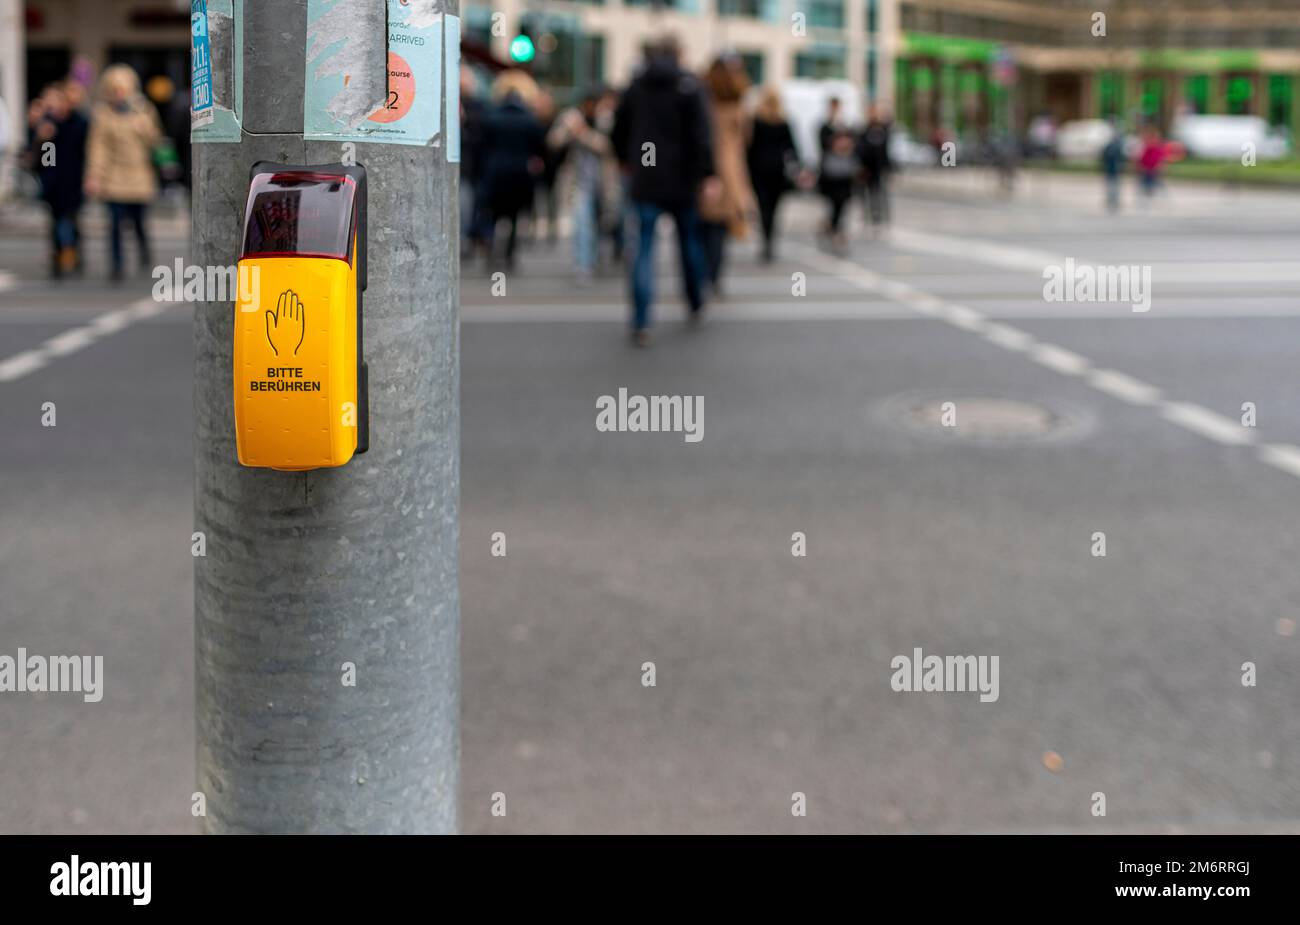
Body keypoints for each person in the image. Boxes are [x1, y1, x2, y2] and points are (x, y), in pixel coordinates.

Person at [611, 35, 716, 346]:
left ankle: (642, 319)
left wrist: (625, 161)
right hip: (682, 179)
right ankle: (695, 300)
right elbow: (701, 135)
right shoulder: (689, 86)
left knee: (642, 249)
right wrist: (706, 174)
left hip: (646, 177)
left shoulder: (636, 86)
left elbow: (619, 130)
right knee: (689, 244)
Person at [84, 64, 163, 281]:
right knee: (115, 224)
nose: (119, 94)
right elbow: (97, 148)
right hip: (113, 177)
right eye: (115, 89)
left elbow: (156, 141)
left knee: (138, 220)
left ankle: (144, 250)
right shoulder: (103, 114)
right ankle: (117, 265)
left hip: (139, 174)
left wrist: (143, 125)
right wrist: (94, 176)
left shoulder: (144, 109)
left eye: (123, 89)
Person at [697, 56, 753, 297]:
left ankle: (701, 274)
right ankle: (714, 276)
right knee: (721, 229)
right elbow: (746, 140)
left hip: (704, 168)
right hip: (731, 171)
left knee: (701, 227)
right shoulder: (738, 105)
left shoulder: (703, 101)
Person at [478, 70, 545, 268]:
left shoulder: (492, 117)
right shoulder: (529, 120)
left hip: (495, 172)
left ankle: (491, 249)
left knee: (493, 214)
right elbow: (539, 148)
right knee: (514, 216)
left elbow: (482, 147)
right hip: (519, 174)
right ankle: (509, 253)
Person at [548, 85, 615, 284]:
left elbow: (607, 147)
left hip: (604, 182)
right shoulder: (570, 118)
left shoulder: (607, 119)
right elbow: (553, 142)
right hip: (578, 181)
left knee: (601, 222)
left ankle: (595, 257)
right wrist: (569, 130)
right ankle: (583, 264)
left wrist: (584, 134)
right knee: (582, 221)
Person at [28, 83, 88, 279]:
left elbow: (83, 151)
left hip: (73, 179)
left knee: (69, 219)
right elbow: (46, 160)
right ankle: (61, 254)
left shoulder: (78, 122)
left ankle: (70, 252)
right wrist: (43, 138)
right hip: (54, 182)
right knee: (57, 221)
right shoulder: (47, 124)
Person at [746, 87, 798, 263]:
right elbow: (791, 148)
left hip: (758, 170)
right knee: (774, 209)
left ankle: (766, 240)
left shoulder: (757, 120)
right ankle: (769, 241)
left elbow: (749, 148)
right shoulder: (782, 121)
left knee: (763, 207)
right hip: (776, 170)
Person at [818, 128, 858, 253]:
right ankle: (835, 233)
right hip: (832, 189)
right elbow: (828, 173)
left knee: (841, 212)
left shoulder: (850, 155)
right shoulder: (829, 155)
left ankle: (832, 229)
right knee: (835, 211)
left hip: (845, 189)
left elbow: (854, 171)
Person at [856, 103, 893, 235]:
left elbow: (887, 151)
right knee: (868, 196)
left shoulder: (884, 130)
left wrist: (889, 168)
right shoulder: (865, 131)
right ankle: (869, 220)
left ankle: (881, 220)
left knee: (881, 195)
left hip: (880, 169)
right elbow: (860, 150)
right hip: (868, 170)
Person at [1136, 123, 1168, 202]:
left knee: (1154, 181)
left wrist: (1160, 165)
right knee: (1147, 181)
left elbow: (1161, 157)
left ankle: (1152, 193)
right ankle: (1147, 193)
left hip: (1153, 167)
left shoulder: (1157, 146)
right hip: (1147, 167)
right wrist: (1140, 165)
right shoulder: (1147, 146)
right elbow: (1143, 157)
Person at [1100, 118, 1125, 212]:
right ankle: (1111, 200)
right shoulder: (1109, 146)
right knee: (1110, 186)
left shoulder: (1117, 145)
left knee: (1114, 186)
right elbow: (1103, 156)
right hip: (1110, 169)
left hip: (1115, 170)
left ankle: (1114, 201)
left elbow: (1121, 157)